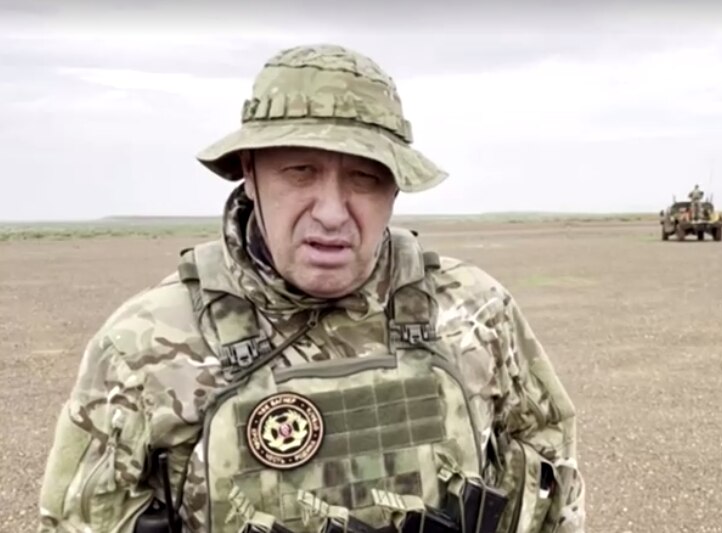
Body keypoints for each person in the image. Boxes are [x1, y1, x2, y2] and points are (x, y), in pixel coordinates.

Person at [36, 44, 585, 533]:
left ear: (395, 189)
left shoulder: (475, 310)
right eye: (300, 171)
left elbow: (547, 477)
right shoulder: (143, 346)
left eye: (364, 178)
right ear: (250, 174)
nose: (331, 213)